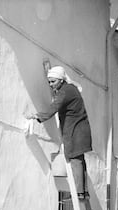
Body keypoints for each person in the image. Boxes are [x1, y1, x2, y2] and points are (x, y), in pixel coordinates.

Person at [27, 66, 92, 200]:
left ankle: (79, 193)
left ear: (61, 80)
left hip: (75, 130)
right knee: (79, 160)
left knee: (74, 159)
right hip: (80, 129)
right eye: (49, 82)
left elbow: (54, 108)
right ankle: (83, 192)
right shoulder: (70, 88)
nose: (51, 85)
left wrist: (37, 116)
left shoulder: (65, 91)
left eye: (53, 82)